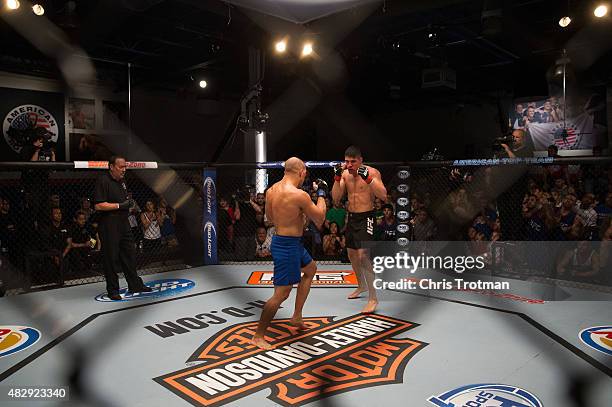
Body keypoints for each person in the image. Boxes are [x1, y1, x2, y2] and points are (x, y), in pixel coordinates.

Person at [251, 157, 327, 350]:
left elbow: (270, 216)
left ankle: (296, 316)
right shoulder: (299, 195)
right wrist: (321, 193)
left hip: (284, 240)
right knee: (281, 293)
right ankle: (258, 336)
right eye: (304, 174)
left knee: (310, 269)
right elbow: (319, 218)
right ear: (301, 172)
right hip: (287, 246)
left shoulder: (271, 190)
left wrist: (294, 217)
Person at [332, 146, 388, 313]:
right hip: (352, 218)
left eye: (353, 161)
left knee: (363, 255)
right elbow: (336, 198)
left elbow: (383, 195)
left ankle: (373, 298)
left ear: (360, 160)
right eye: (347, 161)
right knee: (351, 254)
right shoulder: (344, 174)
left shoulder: (372, 172)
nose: (349, 165)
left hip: (367, 217)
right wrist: (336, 178)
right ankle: (361, 285)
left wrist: (368, 178)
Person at [94, 156, 151, 301]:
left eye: (125, 167)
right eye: (121, 167)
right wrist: (120, 206)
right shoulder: (103, 180)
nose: (124, 169)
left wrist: (127, 204)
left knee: (130, 255)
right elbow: (98, 205)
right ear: (111, 167)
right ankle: (113, 290)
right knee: (111, 258)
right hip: (109, 225)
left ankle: (135, 285)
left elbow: (124, 201)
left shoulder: (122, 182)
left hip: (123, 224)